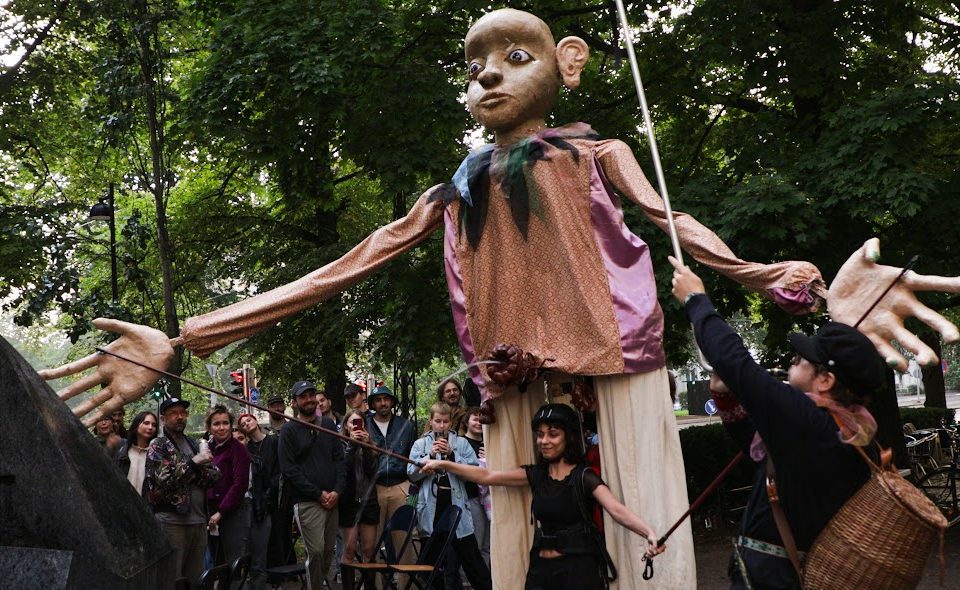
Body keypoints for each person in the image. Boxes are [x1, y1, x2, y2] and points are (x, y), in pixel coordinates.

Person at [47, 6, 960, 587]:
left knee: (641, 489)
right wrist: (187, 338)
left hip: (618, 345)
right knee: (517, 518)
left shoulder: (596, 151)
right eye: (474, 63)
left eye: (512, 56)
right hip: (505, 363)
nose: (485, 75)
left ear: (568, 63)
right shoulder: (458, 184)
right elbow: (348, 265)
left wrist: (789, 282)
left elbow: (674, 224)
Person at [669, 257, 884, 589]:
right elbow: (762, 452)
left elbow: (735, 361)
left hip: (771, 579)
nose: (792, 360)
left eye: (801, 358)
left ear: (825, 380)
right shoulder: (842, 431)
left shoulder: (808, 420)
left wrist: (696, 300)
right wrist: (725, 396)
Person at [420, 403, 663, 590]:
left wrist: (649, 533)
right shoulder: (537, 474)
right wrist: (443, 465)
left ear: (568, 436)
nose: (544, 441)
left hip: (580, 573)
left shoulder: (583, 476)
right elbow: (487, 475)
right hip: (541, 571)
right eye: (540, 434)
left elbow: (616, 509)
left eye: (553, 434)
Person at [409, 403, 492, 590]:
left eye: (445, 422)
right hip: (431, 509)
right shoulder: (420, 444)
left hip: (458, 508)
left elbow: (474, 471)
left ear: (451, 423)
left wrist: (452, 455)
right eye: (438, 421)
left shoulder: (461, 443)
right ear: (431, 421)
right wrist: (429, 456)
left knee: (472, 559)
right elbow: (411, 474)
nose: (441, 426)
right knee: (431, 563)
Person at [144, 397, 221, 587]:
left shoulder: (193, 443)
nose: (179, 417)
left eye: (182, 413)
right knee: (172, 579)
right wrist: (194, 464)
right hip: (171, 523)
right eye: (173, 413)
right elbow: (164, 480)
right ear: (163, 419)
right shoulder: (158, 445)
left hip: (199, 521)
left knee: (196, 580)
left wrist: (189, 469)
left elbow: (214, 475)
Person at [278, 380, 346, 590]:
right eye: (303, 396)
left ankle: (317, 583)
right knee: (315, 550)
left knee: (327, 551)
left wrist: (337, 491)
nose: (308, 400)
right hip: (307, 501)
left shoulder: (327, 425)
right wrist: (318, 494)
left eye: (311, 395)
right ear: (294, 402)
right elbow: (289, 469)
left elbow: (339, 460)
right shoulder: (288, 430)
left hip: (332, 500)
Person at [366, 385, 416, 563]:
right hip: (374, 488)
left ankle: (405, 579)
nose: (383, 403)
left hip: (401, 485)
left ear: (392, 402)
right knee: (372, 541)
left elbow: (413, 455)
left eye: (386, 399)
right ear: (372, 404)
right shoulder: (365, 425)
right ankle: (375, 579)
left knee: (404, 538)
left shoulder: (406, 425)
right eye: (378, 400)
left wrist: (411, 489)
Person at [205, 405, 252, 574]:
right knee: (217, 564)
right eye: (216, 423)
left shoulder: (238, 449)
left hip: (233, 511)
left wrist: (221, 512)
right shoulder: (206, 449)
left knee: (234, 564)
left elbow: (240, 484)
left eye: (225, 423)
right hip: (210, 511)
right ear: (209, 427)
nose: (222, 427)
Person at [338, 408, 381, 590]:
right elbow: (343, 470)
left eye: (360, 422)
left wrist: (365, 446)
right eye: (352, 422)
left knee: (369, 550)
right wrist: (352, 445)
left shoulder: (370, 445)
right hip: (349, 503)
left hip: (369, 501)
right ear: (346, 426)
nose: (356, 426)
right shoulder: (340, 445)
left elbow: (373, 472)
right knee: (349, 549)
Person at [238, 412, 279, 590]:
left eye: (248, 420)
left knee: (267, 547)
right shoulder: (247, 450)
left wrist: (269, 495)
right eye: (243, 423)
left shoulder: (273, 441)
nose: (247, 424)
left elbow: (279, 470)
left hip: (269, 500)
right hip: (252, 503)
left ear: (255, 420)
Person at [458, 407, 490, 567]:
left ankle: (486, 577)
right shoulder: (461, 442)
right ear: (466, 422)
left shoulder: (489, 442)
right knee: (475, 543)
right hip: (471, 497)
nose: (479, 423)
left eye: (482, 420)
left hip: (489, 498)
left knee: (488, 545)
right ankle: (469, 578)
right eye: (475, 419)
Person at [116, 410, 159, 494]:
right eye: (146, 423)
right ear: (136, 425)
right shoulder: (123, 452)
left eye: (154, 425)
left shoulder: (156, 455)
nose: (150, 427)